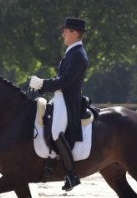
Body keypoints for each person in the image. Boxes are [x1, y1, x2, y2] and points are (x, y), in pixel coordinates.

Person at [29, 17, 89, 191]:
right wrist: (42, 86)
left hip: (68, 99)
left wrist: (42, 83)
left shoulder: (78, 54)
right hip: (60, 96)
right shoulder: (72, 52)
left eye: (66, 30)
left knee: (56, 132)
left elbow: (66, 81)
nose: (63, 33)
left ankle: (71, 174)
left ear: (75, 33)